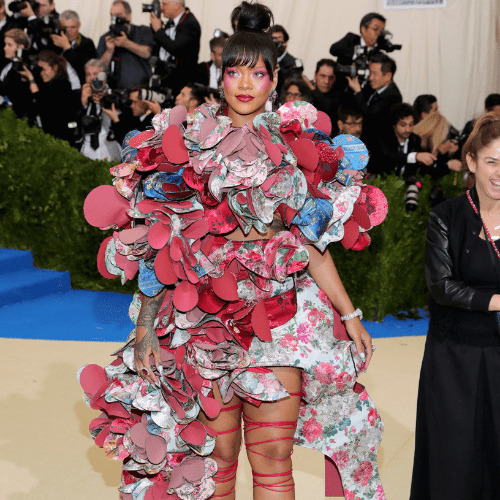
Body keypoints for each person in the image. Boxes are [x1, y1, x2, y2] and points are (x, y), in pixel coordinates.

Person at [79, 2, 387, 499]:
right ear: (219, 76)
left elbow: (310, 244)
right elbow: (164, 245)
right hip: (205, 320)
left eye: (258, 73)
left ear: (274, 78)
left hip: (281, 318)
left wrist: (350, 315)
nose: (245, 84)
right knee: (215, 462)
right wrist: (144, 329)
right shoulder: (187, 146)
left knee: (273, 461)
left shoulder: (295, 149)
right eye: (234, 71)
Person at [410, 112, 500, 499]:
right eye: (493, 161)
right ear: (472, 162)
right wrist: (496, 300)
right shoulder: (446, 216)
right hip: (454, 354)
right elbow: (441, 286)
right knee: (454, 454)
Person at [19, 49, 79, 144]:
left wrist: (31, 80)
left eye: (44, 69)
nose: (41, 73)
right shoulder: (48, 84)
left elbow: (43, 105)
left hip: (60, 141)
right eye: (39, 70)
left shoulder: (62, 85)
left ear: (55, 67)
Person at [97, 0, 154, 90]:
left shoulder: (143, 31)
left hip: (141, 90)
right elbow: (99, 69)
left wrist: (126, 44)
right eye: (112, 16)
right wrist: (109, 51)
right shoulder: (106, 38)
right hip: (115, 92)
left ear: (129, 15)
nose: (115, 19)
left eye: (118, 15)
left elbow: (147, 53)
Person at [149, 0, 201, 95]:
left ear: (177, 6)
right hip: (164, 79)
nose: (161, 7)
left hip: (180, 84)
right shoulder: (171, 22)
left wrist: (158, 30)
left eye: (164, 4)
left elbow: (176, 48)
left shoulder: (190, 23)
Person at [374, 103, 436, 178]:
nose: (408, 129)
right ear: (394, 125)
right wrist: (415, 156)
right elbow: (388, 157)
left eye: (411, 124)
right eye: (403, 125)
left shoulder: (415, 139)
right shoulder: (383, 138)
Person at [78, 59, 121, 161]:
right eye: (88, 74)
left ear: (104, 78)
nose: (92, 78)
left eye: (95, 74)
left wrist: (106, 99)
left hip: (110, 150)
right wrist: (82, 102)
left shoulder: (115, 96)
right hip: (87, 152)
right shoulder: (79, 96)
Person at [50, 10, 96, 85]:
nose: (69, 31)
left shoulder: (87, 43)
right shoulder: (55, 43)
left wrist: (67, 48)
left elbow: (84, 69)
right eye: (65, 28)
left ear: (79, 25)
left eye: (73, 27)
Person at [0, 27, 32, 119]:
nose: (5, 48)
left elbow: (16, 96)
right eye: (5, 44)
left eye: (9, 45)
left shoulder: (23, 68)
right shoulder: (7, 63)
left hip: (15, 116)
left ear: (21, 48)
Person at [269, 24, 300, 95]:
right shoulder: (263, 60)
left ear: (285, 42)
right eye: (272, 39)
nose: (275, 43)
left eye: (278, 39)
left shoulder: (293, 63)